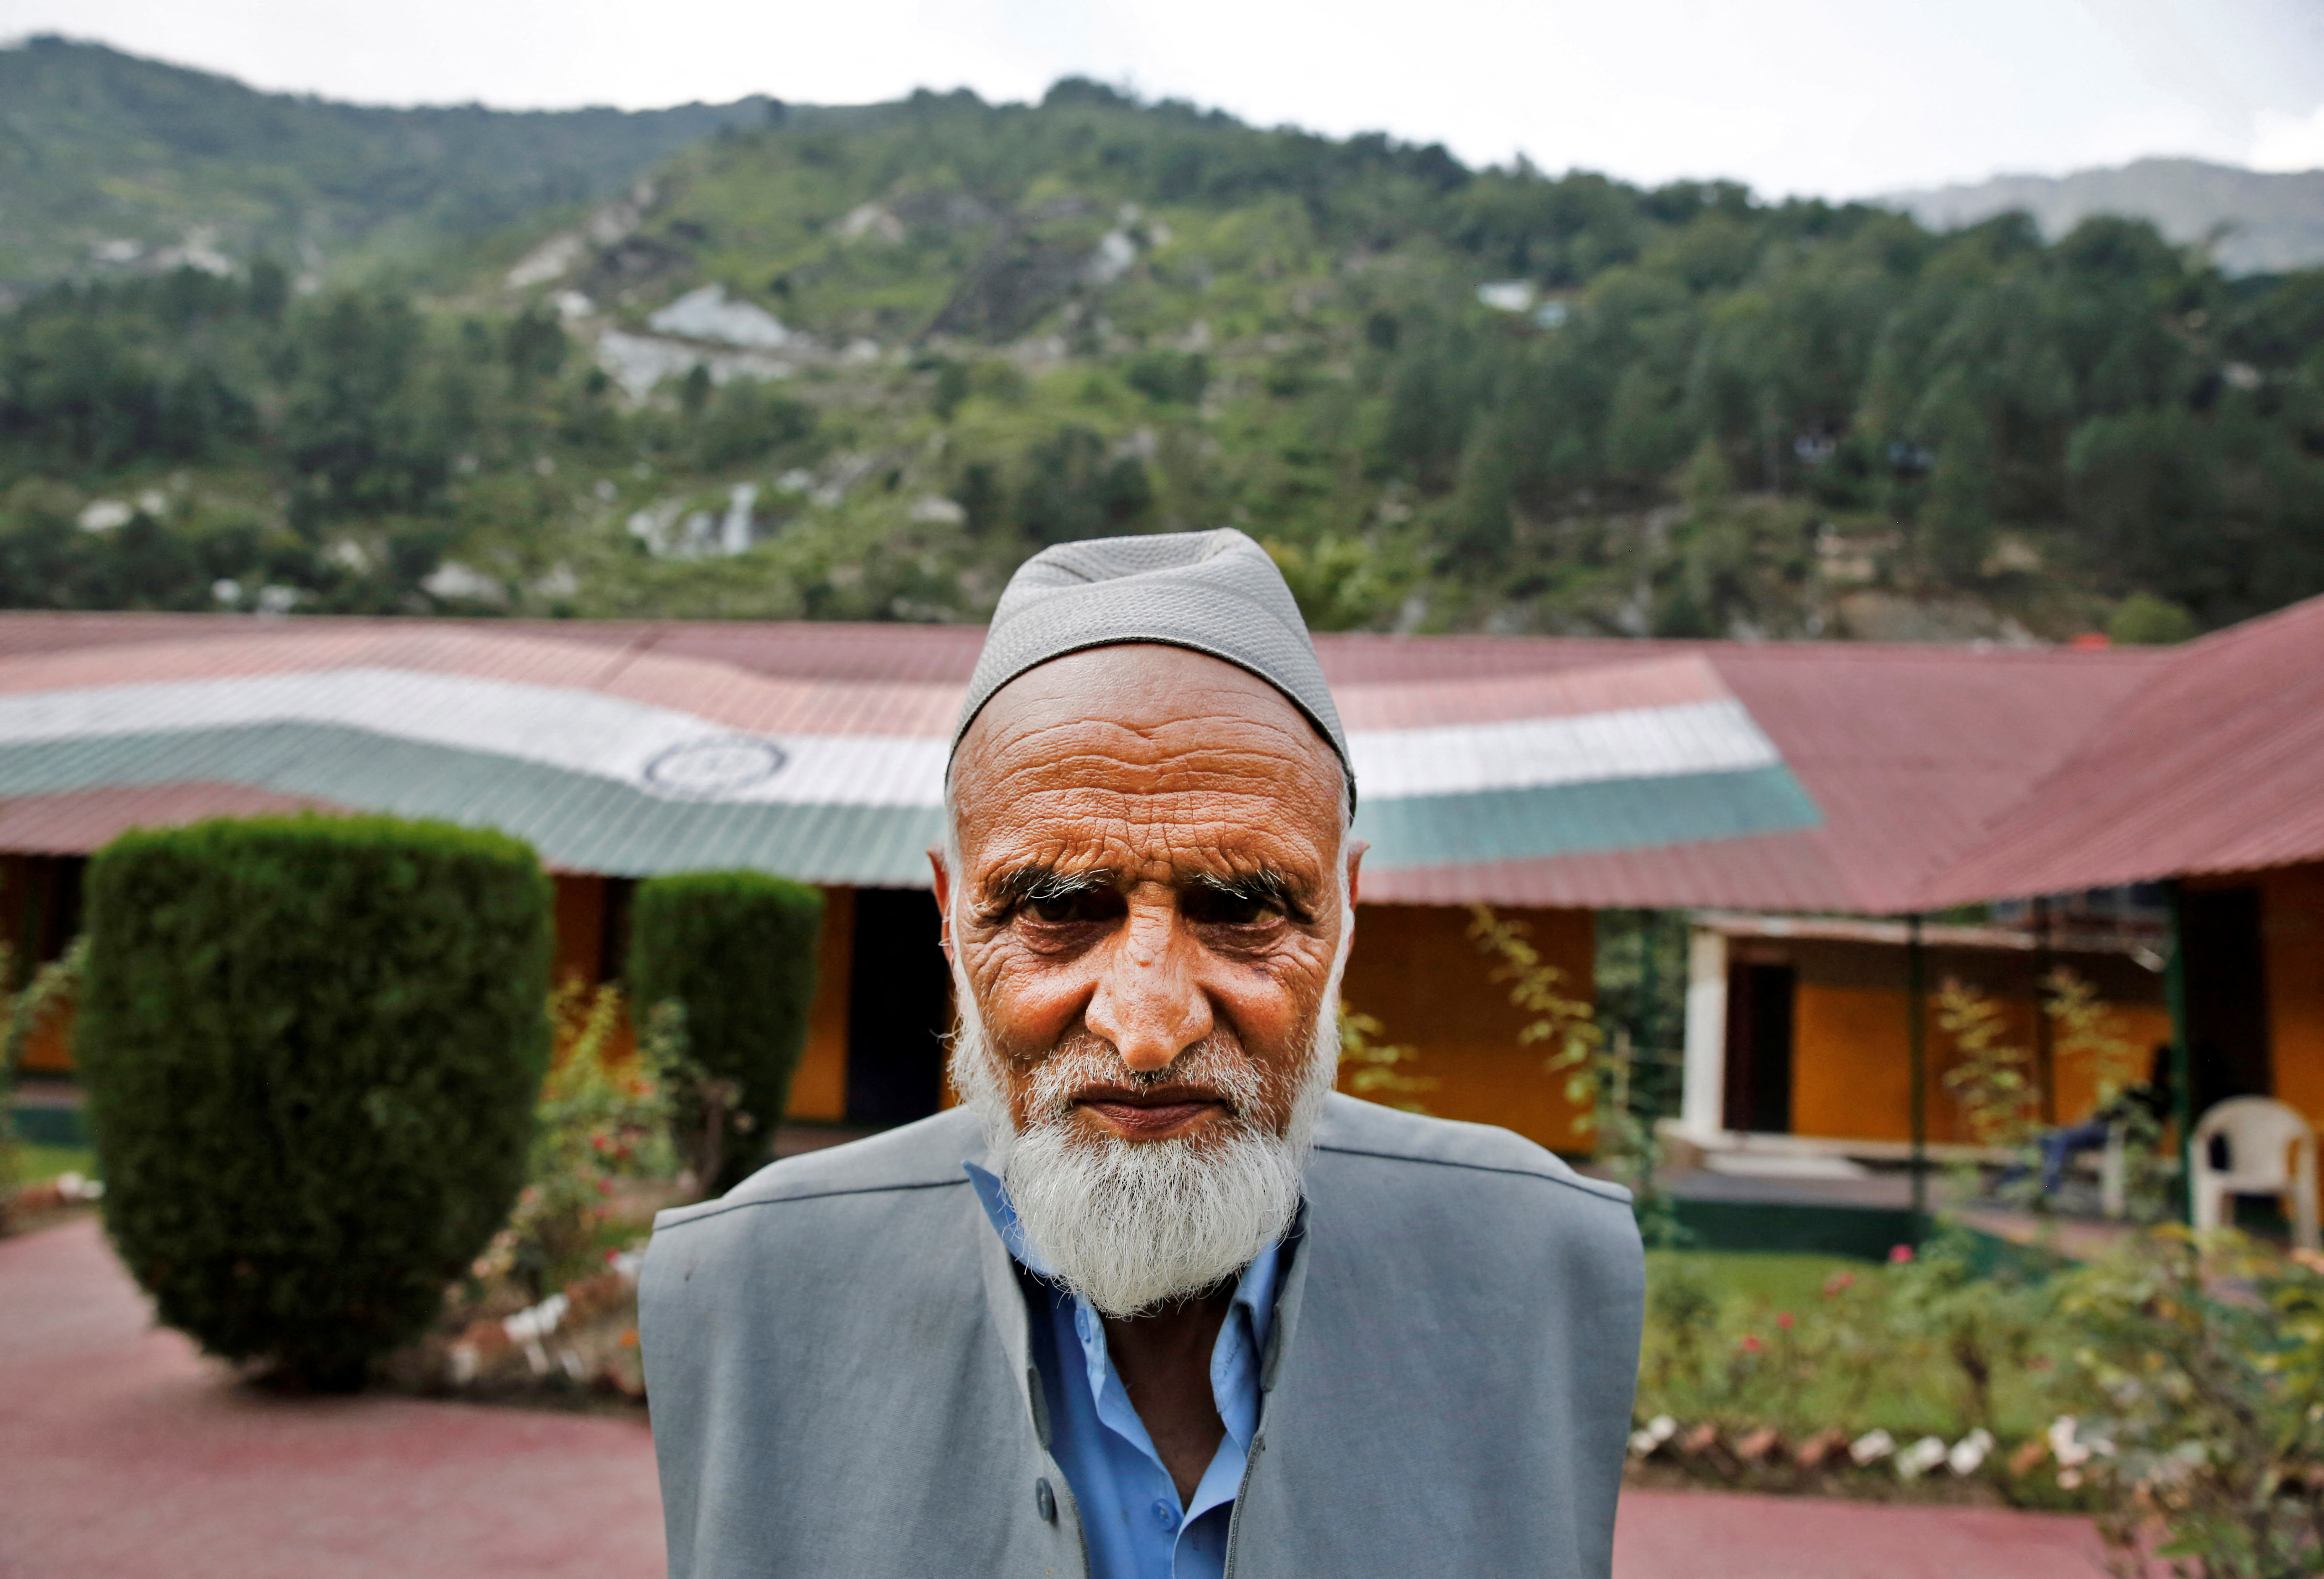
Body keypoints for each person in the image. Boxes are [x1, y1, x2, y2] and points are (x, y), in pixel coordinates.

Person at [640, 529, 1645, 1579]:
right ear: (949, 918)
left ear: (1345, 916)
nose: (1148, 1025)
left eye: (1244, 905)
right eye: (1060, 907)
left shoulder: (1540, 1268)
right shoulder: (749, 1291)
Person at [2038, 1043, 2173, 1196]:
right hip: (2101, 1127)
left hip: (2113, 1131)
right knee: (2048, 1140)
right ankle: (2044, 1187)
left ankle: (2048, 1189)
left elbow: (2154, 1124)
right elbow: (2111, 1109)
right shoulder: (2143, 1089)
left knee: (2059, 1140)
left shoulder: (2163, 1096)